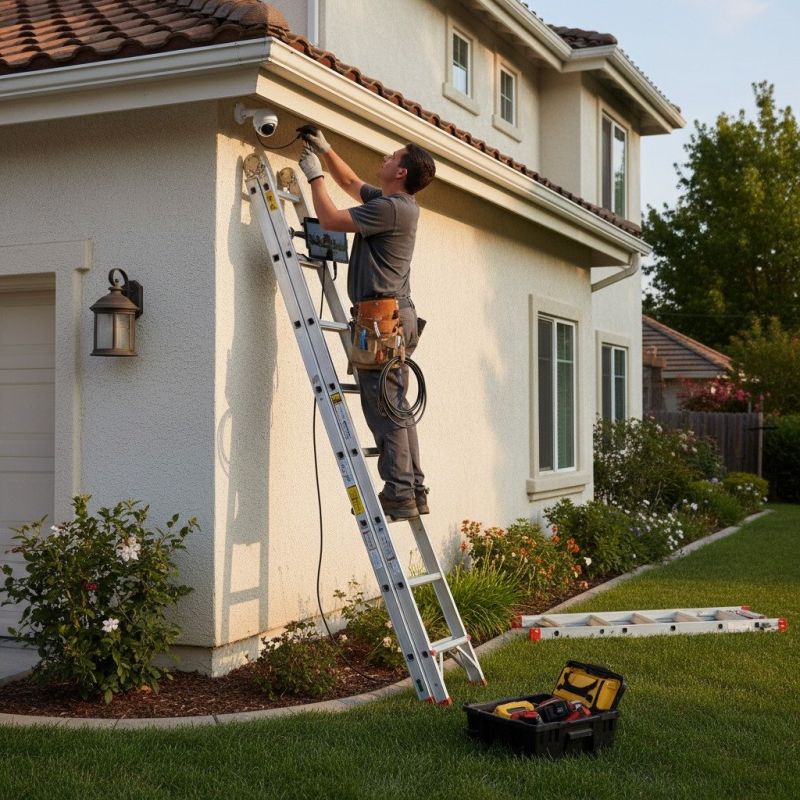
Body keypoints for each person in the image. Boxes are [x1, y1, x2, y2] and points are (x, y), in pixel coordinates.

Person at [297, 128, 436, 521]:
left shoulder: (391, 210)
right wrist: (326, 152)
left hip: (380, 320)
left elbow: (328, 218)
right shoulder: (396, 204)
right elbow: (351, 182)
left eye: (393, 156)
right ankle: (413, 488)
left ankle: (399, 493)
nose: (386, 158)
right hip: (394, 315)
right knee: (397, 406)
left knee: (384, 407)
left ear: (402, 172)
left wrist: (312, 176)